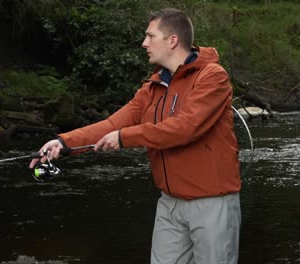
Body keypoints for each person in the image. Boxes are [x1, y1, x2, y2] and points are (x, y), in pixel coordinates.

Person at [30, 7, 241, 264]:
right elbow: (112, 124)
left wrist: (125, 137)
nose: (144, 43)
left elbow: (186, 127)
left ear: (172, 40)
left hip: (211, 203)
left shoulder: (213, 77)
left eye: (150, 36)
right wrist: (63, 142)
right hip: (170, 204)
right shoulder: (152, 87)